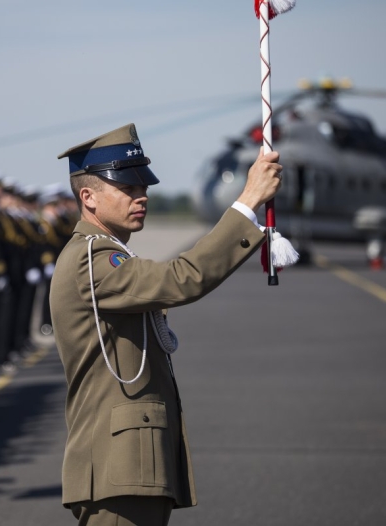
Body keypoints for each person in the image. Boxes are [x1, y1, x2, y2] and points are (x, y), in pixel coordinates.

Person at [49, 123, 282, 525]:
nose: (142, 196)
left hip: (130, 467)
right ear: (88, 197)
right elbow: (180, 278)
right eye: (127, 188)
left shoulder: (107, 254)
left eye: (143, 187)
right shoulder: (92, 259)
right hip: (116, 470)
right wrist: (247, 203)